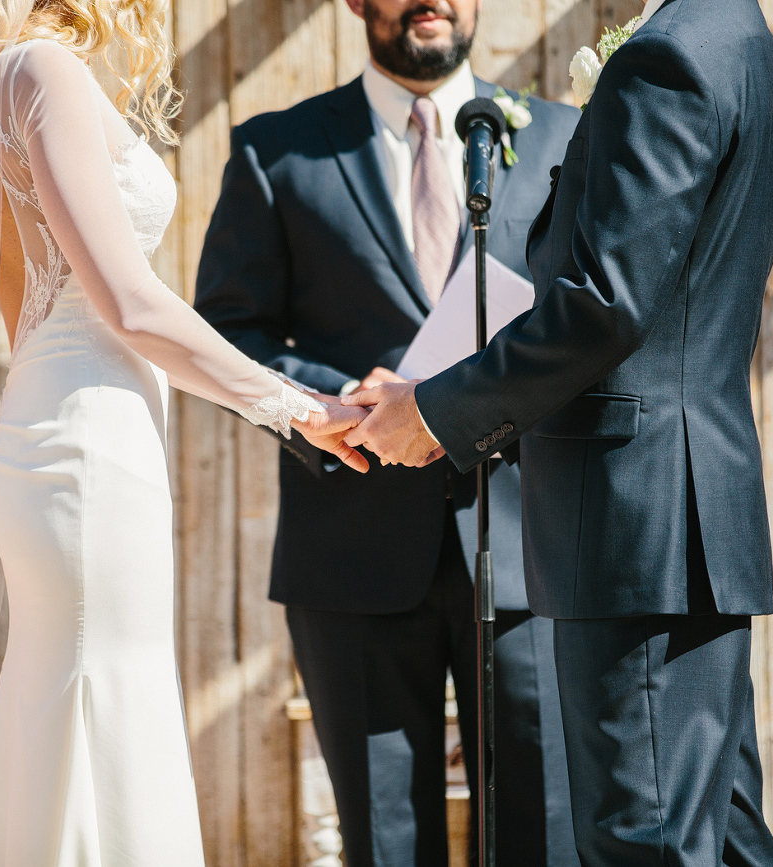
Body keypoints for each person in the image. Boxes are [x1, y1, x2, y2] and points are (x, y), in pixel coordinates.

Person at [0, 1, 367, 864]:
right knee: (104, 694)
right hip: (88, 440)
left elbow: (32, 309)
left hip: (60, 422)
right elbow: (128, 302)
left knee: (67, 692)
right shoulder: (41, 73)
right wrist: (298, 406)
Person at [343, 0, 773, 864]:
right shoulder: (740, 41)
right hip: (687, 516)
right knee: (721, 837)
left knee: (643, 839)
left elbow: (602, 304)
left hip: (633, 521)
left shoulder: (666, 57)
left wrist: (437, 409)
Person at [193, 1, 579, 864]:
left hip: (532, 555)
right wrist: (335, 400)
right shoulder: (274, 150)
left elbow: (588, 324)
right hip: (350, 557)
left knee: (544, 836)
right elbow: (226, 338)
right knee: (385, 844)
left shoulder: (559, 139)